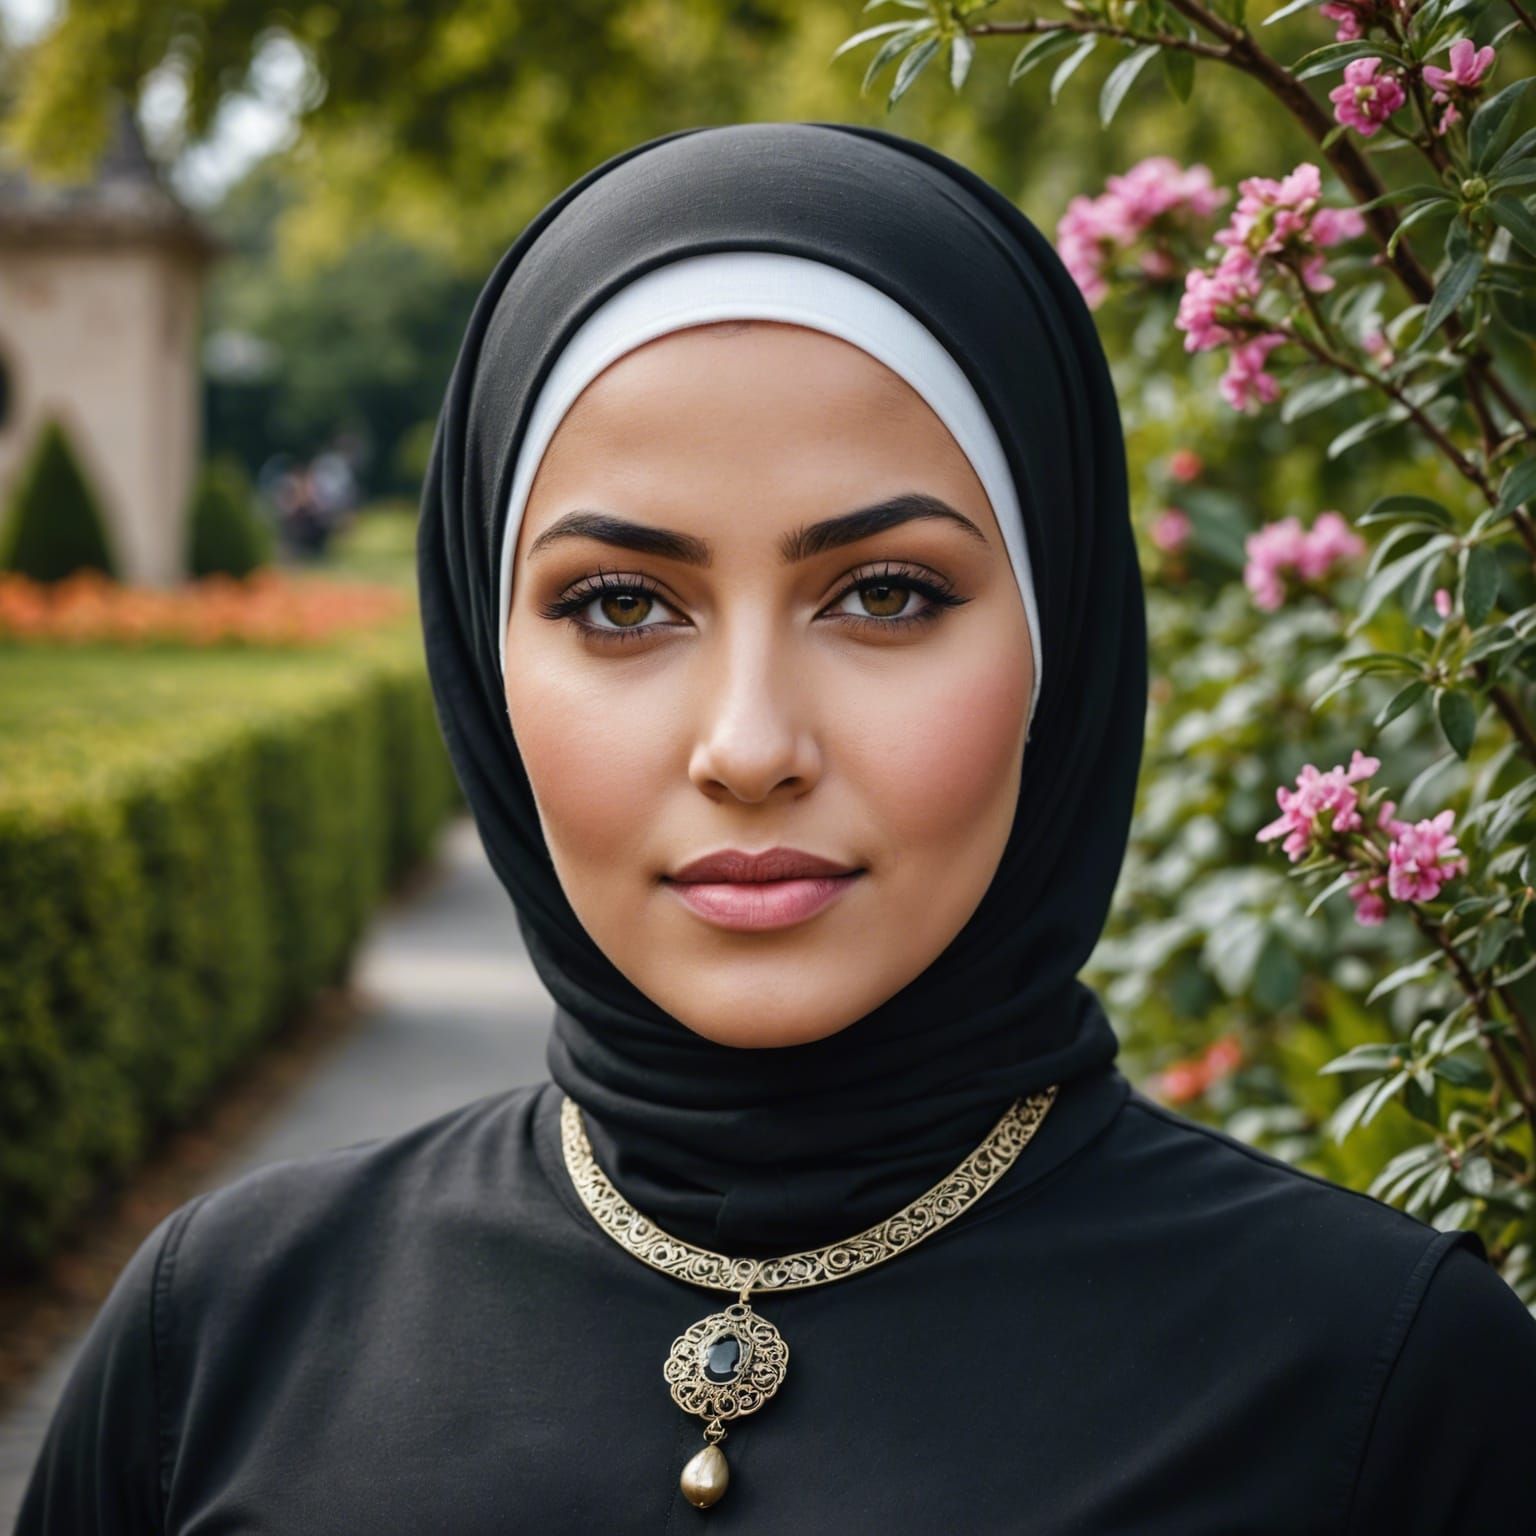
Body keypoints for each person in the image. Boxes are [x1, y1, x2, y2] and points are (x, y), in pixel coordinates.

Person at [15, 121, 1536, 1535]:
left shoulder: (1382, 1394)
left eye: (886, 594)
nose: (749, 749)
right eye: (622, 604)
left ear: (1060, 642)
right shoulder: (220, 1342)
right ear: (484, 660)